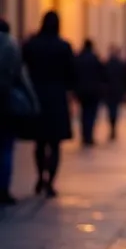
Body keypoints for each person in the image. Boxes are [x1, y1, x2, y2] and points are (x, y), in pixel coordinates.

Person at [21, 11, 74, 197]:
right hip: (57, 98)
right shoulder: (64, 47)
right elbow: (70, 74)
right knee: (55, 143)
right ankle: (50, 181)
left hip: (36, 96)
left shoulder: (32, 45)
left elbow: (22, 68)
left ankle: (39, 177)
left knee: (40, 142)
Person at [0, 20, 25, 205]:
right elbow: (20, 76)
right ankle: (4, 189)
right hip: (6, 100)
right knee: (7, 147)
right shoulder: (12, 46)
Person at [74, 40, 105, 148]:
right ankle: (89, 135)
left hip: (82, 90)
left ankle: (84, 134)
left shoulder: (79, 58)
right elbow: (102, 74)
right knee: (91, 114)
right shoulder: (95, 58)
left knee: (83, 113)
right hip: (93, 91)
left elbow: (74, 73)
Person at [105, 46, 126, 141]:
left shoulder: (108, 64)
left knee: (111, 109)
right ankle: (113, 126)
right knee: (115, 109)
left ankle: (112, 126)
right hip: (117, 90)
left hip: (109, 90)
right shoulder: (120, 64)